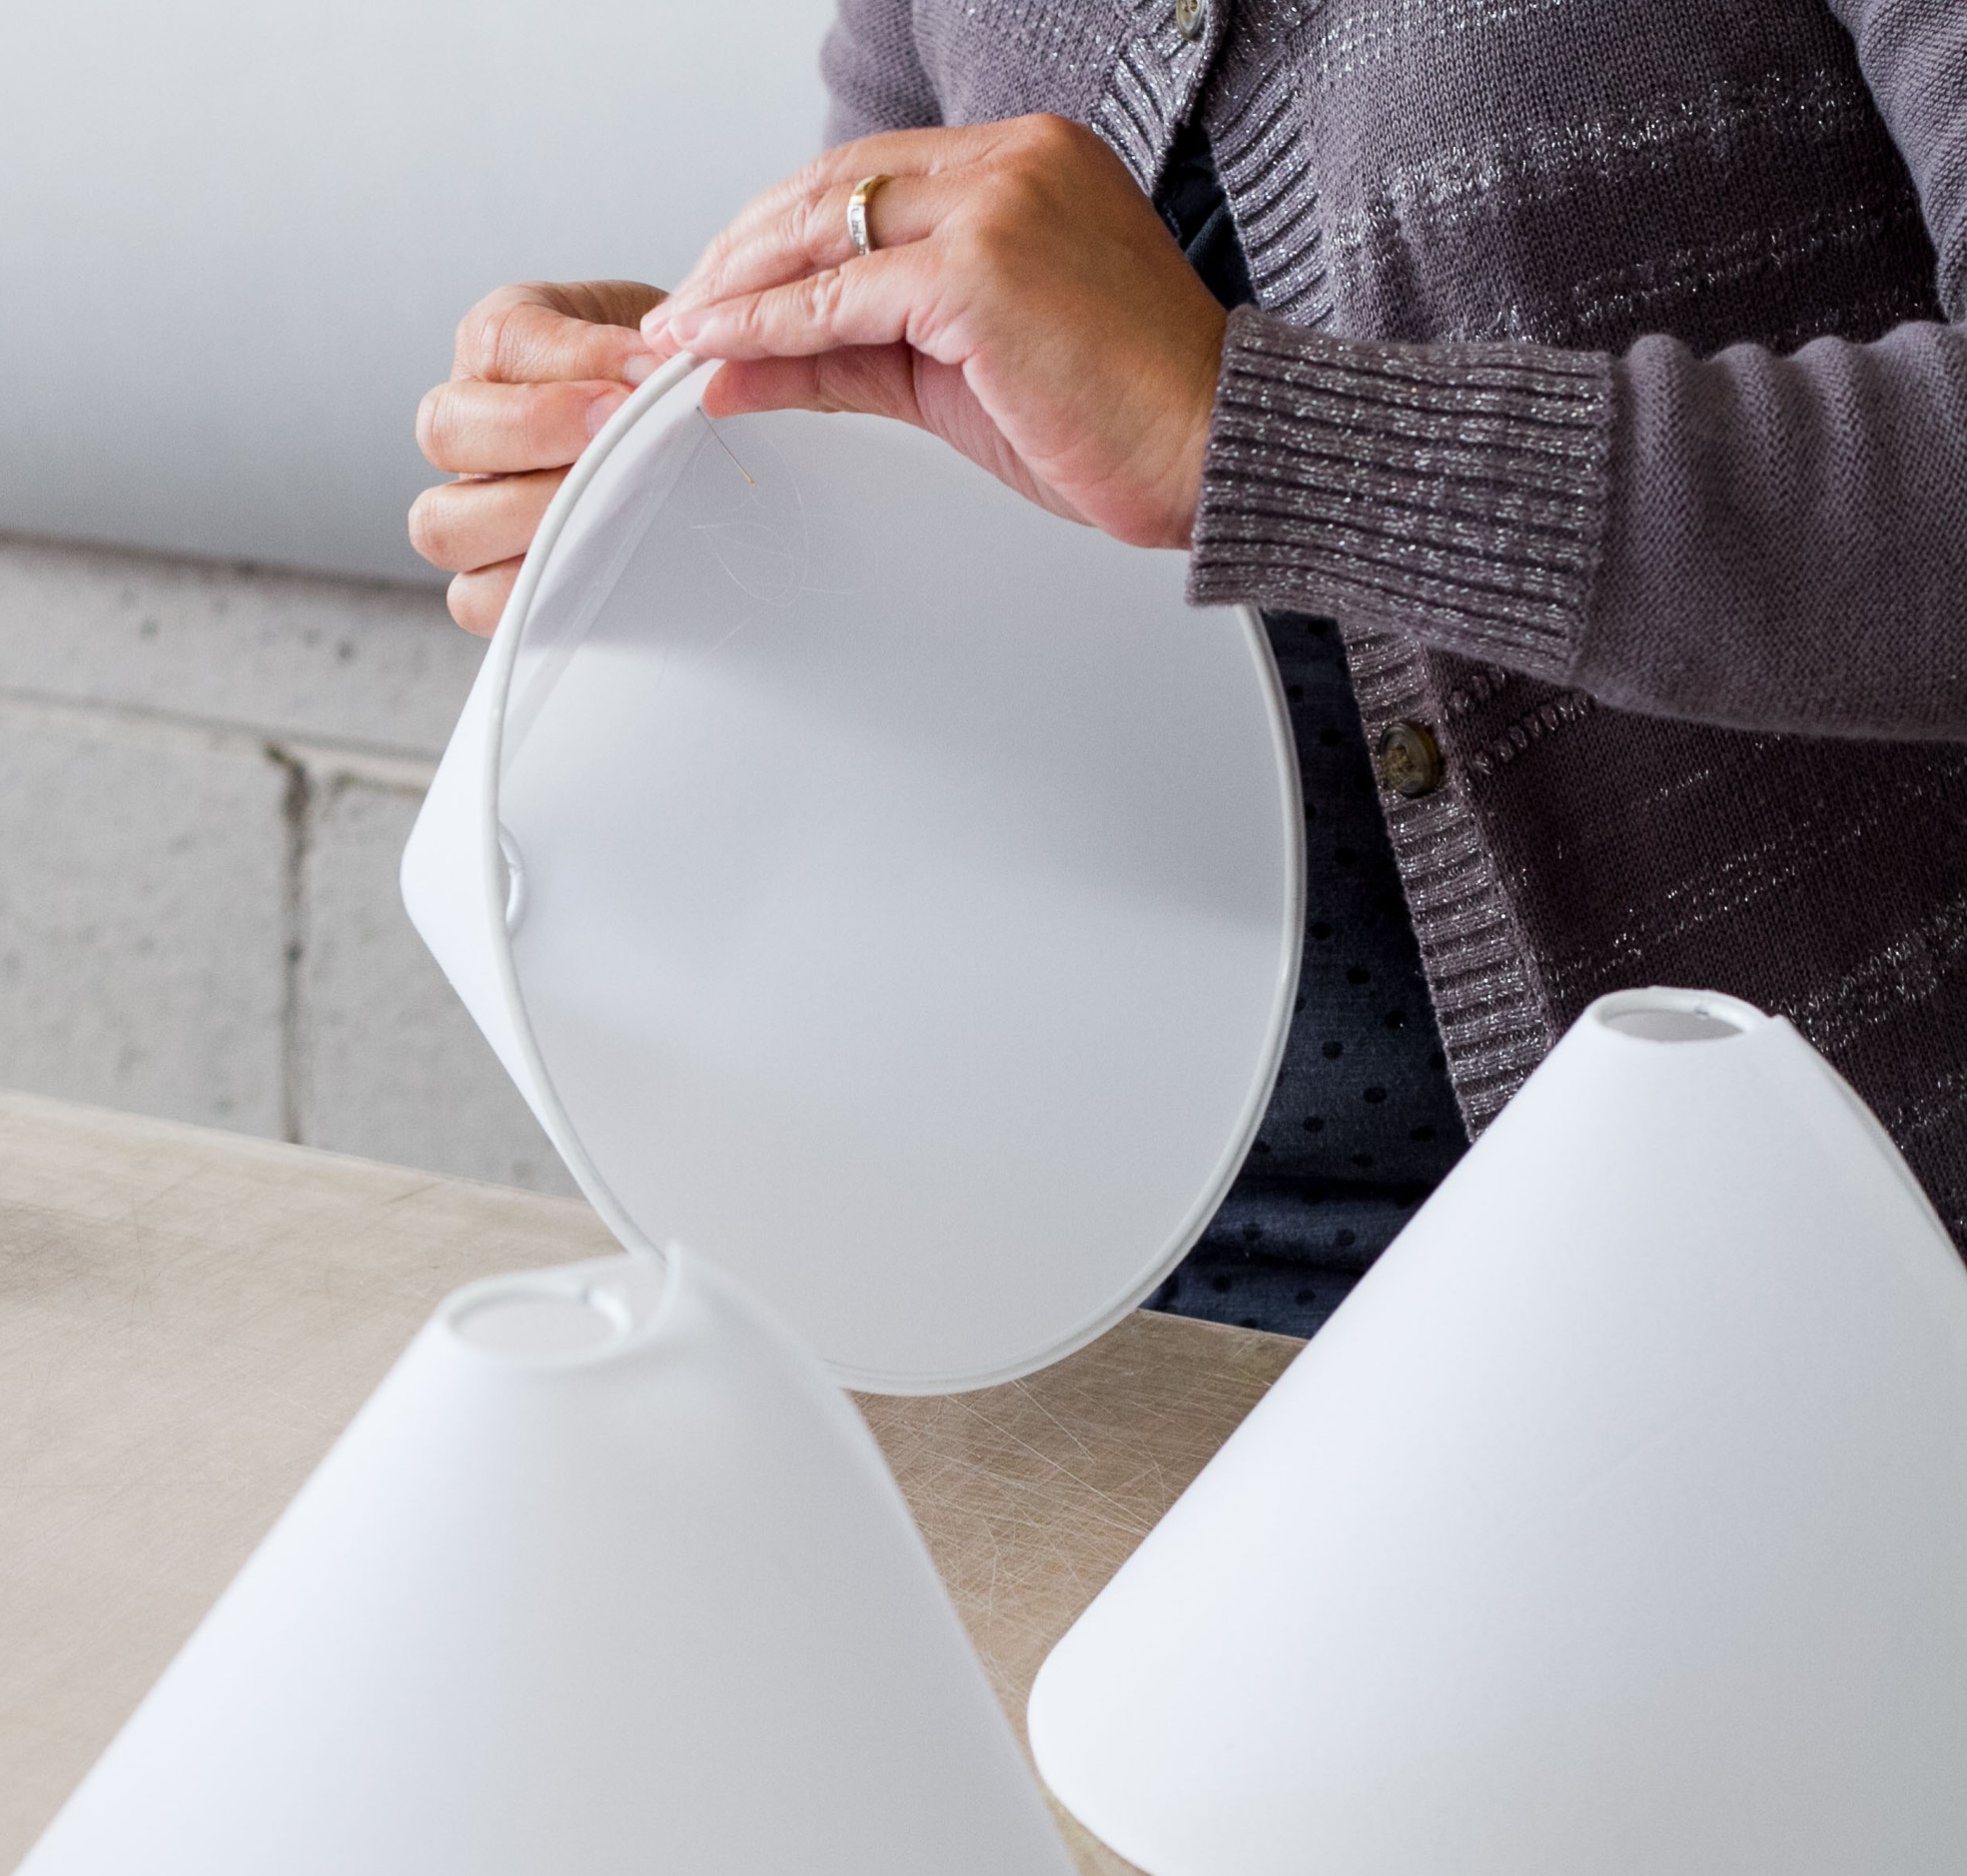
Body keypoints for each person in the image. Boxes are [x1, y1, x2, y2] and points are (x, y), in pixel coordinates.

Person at [411, 1, 1967, 1337]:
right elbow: (949, 498)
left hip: (1773, 1334)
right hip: (1058, 1288)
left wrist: (1259, 435)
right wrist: (703, 464)